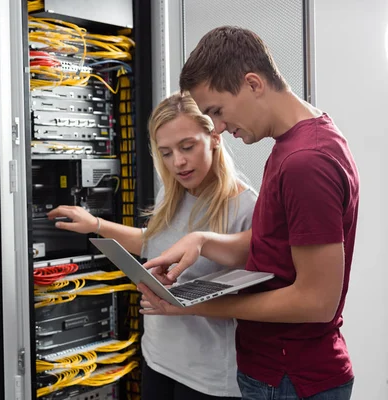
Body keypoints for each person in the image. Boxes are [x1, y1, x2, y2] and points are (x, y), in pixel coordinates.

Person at [139, 26, 359, 400]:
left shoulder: (305, 161)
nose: (219, 128)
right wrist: (203, 240)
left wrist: (197, 307)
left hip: (292, 377)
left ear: (253, 83)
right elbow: (276, 247)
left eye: (217, 111)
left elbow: (316, 302)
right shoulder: (295, 144)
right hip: (278, 373)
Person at [47, 92, 257, 400]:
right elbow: (154, 242)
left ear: (214, 136)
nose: (178, 162)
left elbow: (254, 298)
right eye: (167, 153)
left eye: (187, 147)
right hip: (158, 358)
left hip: (208, 376)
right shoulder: (172, 194)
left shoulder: (245, 207)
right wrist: (96, 225)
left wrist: (186, 302)